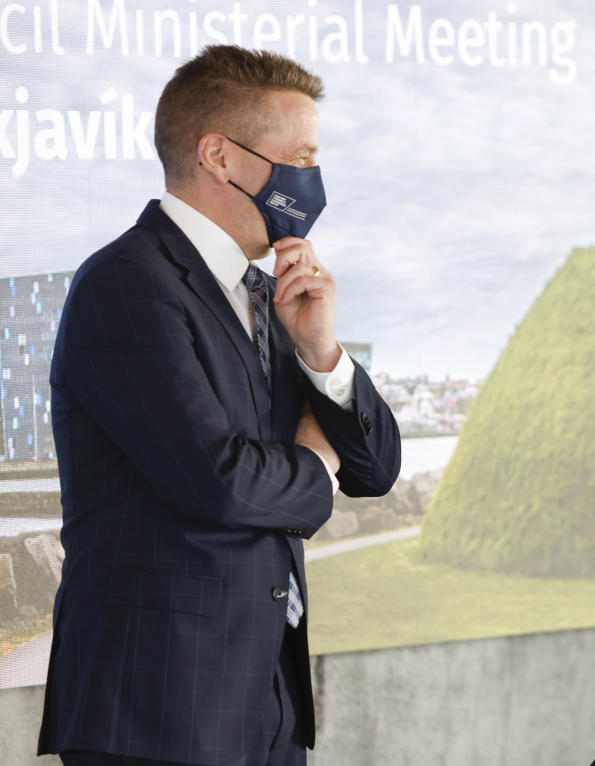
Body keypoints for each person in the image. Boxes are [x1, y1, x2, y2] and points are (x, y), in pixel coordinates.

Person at [37, 45, 401, 766]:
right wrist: (313, 462)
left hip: (266, 705)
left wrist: (322, 354)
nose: (311, 178)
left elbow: (377, 467)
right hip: (159, 713)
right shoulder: (126, 284)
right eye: (298, 155)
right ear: (219, 156)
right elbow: (217, 478)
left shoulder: (272, 296)